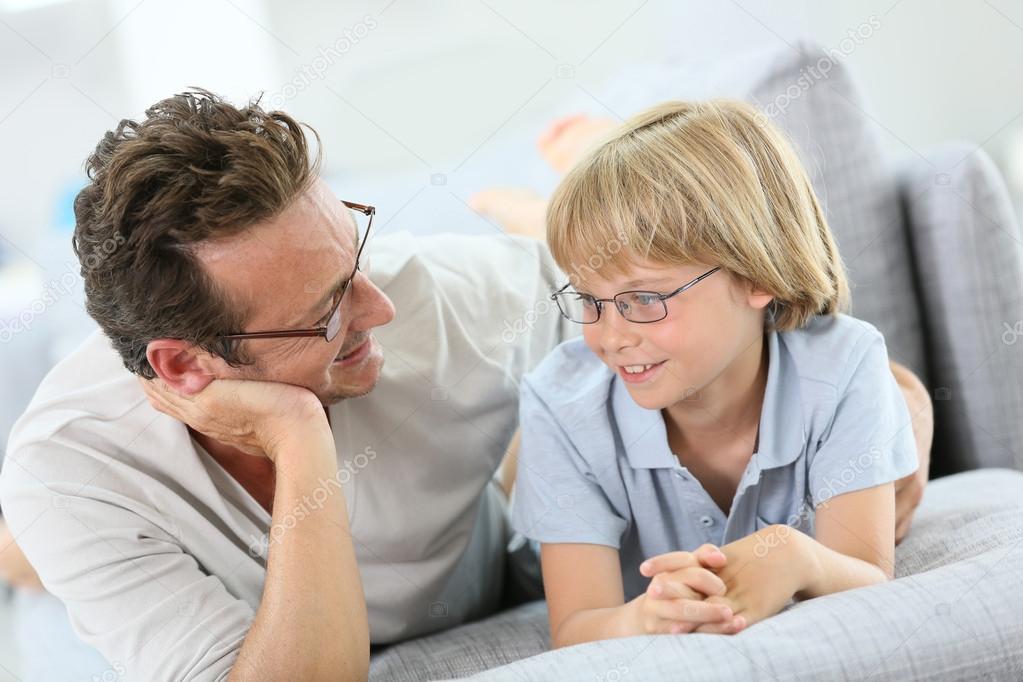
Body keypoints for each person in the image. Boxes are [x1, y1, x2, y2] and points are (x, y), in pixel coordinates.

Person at [0, 90, 931, 680]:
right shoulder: (71, 469)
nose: (378, 308)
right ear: (185, 367)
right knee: (24, 553)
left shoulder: (436, 299)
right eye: (327, 309)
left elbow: (779, 339)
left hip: (490, 544)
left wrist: (885, 429)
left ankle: (550, 184)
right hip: (90, 535)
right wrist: (298, 437)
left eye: (354, 254)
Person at [509, 99, 928, 647]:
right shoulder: (560, 405)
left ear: (758, 274)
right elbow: (576, 625)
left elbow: (870, 577)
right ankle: (519, 207)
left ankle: (587, 155)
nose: (609, 335)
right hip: (513, 513)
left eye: (643, 298)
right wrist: (639, 618)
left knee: (905, 397)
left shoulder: (846, 366)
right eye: (587, 299)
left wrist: (799, 556)